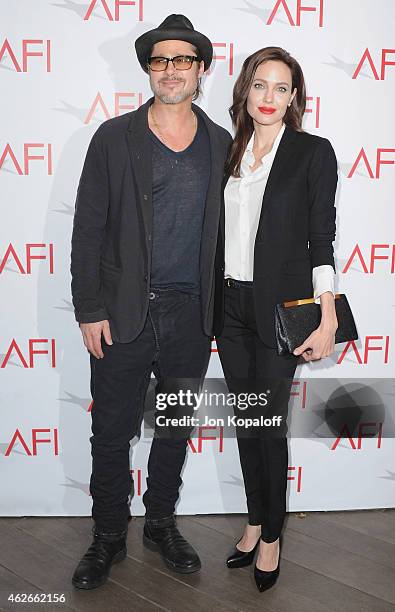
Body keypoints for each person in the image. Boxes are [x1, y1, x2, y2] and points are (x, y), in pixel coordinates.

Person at [70, 14, 232, 589]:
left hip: (191, 316)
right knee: (111, 432)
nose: (171, 70)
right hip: (121, 315)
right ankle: (108, 534)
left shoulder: (221, 143)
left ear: (201, 71)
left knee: (173, 428)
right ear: (148, 69)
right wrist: (88, 308)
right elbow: (88, 228)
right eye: (161, 60)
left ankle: (161, 522)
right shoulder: (114, 137)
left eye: (183, 60)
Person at [215, 47, 338, 592]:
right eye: (260, 85)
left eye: (281, 88)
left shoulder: (312, 153)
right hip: (230, 308)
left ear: (294, 98)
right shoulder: (228, 150)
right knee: (247, 424)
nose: (268, 98)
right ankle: (254, 520)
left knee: (269, 427)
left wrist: (327, 313)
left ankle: (272, 537)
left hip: (281, 312)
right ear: (245, 90)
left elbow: (320, 239)